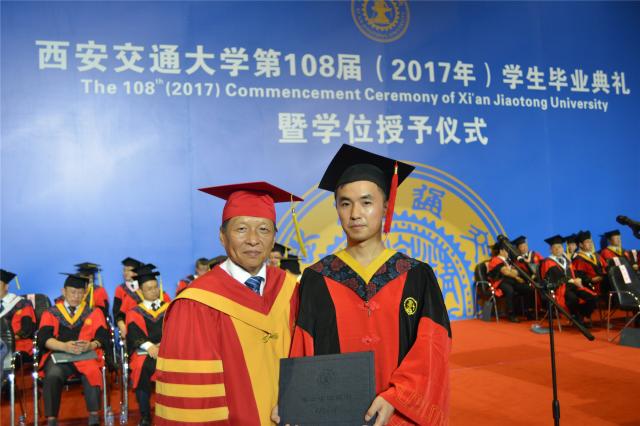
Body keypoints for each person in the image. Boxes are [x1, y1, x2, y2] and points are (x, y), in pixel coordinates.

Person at [287, 145, 451, 426]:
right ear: (336, 209)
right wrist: (297, 402)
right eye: (345, 203)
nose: (355, 214)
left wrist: (397, 397)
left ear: (386, 206)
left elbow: (433, 346)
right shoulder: (317, 278)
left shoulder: (416, 275)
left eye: (366, 202)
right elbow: (303, 350)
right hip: (335, 416)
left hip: (399, 414)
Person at [155, 182, 302, 425]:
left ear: (274, 237)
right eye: (241, 229)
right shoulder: (196, 304)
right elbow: (192, 400)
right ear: (222, 236)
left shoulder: (290, 290)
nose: (253, 240)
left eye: (264, 229)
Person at [37, 273, 110, 426]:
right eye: (72, 292)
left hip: (85, 356)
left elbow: (103, 336)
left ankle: (94, 417)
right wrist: (64, 346)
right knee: (53, 375)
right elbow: (43, 338)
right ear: (63, 291)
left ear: (85, 294)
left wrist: (91, 345)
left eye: (80, 293)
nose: (76, 296)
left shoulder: (93, 312)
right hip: (59, 357)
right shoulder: (51, 313)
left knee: (93, 371)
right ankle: (52, 419)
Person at [126, 264, 170, 426]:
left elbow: (177, 329)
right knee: (140, 368)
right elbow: (133, 333)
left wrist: (164, 345)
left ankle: (174, 411)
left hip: (168, 350)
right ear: (141, 292)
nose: (153, 291)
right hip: (145, 352)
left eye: (155, 287)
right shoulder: (134, 312)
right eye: (149, 289)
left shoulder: (169, 307)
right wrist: (149, 346)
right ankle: (145, 415)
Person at [539, 235, 597, 328]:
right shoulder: (547, 262)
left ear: (563, 249)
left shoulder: (567, 261)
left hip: (574, 286)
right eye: (555, 248)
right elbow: (549, 281)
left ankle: (580, 315)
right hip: (560, 289)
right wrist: (570, 280)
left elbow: (574, 273)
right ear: (550, 250)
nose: (557, 249)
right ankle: (576, 317)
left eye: (559, 247)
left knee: (592, 297)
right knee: (573, 299)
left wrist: (578, 279)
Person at [487, 241, 535, 322]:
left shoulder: (508, 260)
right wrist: (515, 274)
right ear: (501, 251)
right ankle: (511, 314)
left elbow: (514, 271)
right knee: (509, 290)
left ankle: (528, 312)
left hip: (510, 280)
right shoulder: (495, 260)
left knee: (528, 289)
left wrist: (515, 274)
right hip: (499, 281)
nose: (508, 252)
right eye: (507, 250)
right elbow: (506, 272)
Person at [0, 269, 36, 356]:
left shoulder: (22, 304)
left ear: (6, 287)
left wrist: (6, 340)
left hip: (17, 347)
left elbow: (27, 330)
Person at [113, 257, 143, 338]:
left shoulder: (144, 287)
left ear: (136, 272)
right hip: (127, 324)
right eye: (124, 270)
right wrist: (122, 326)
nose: (125, 272)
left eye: (129, 270)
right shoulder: (120, 289)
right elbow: (116, 311)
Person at [572, 230, 607, 296]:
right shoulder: (577, 259)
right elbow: (581, 277)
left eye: (591, 241)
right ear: (581, 245)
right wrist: (592, 280)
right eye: (587, 242)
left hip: (603, 284)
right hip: (590, 288)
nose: (591, 244)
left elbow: (606, 267)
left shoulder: (597, 255)